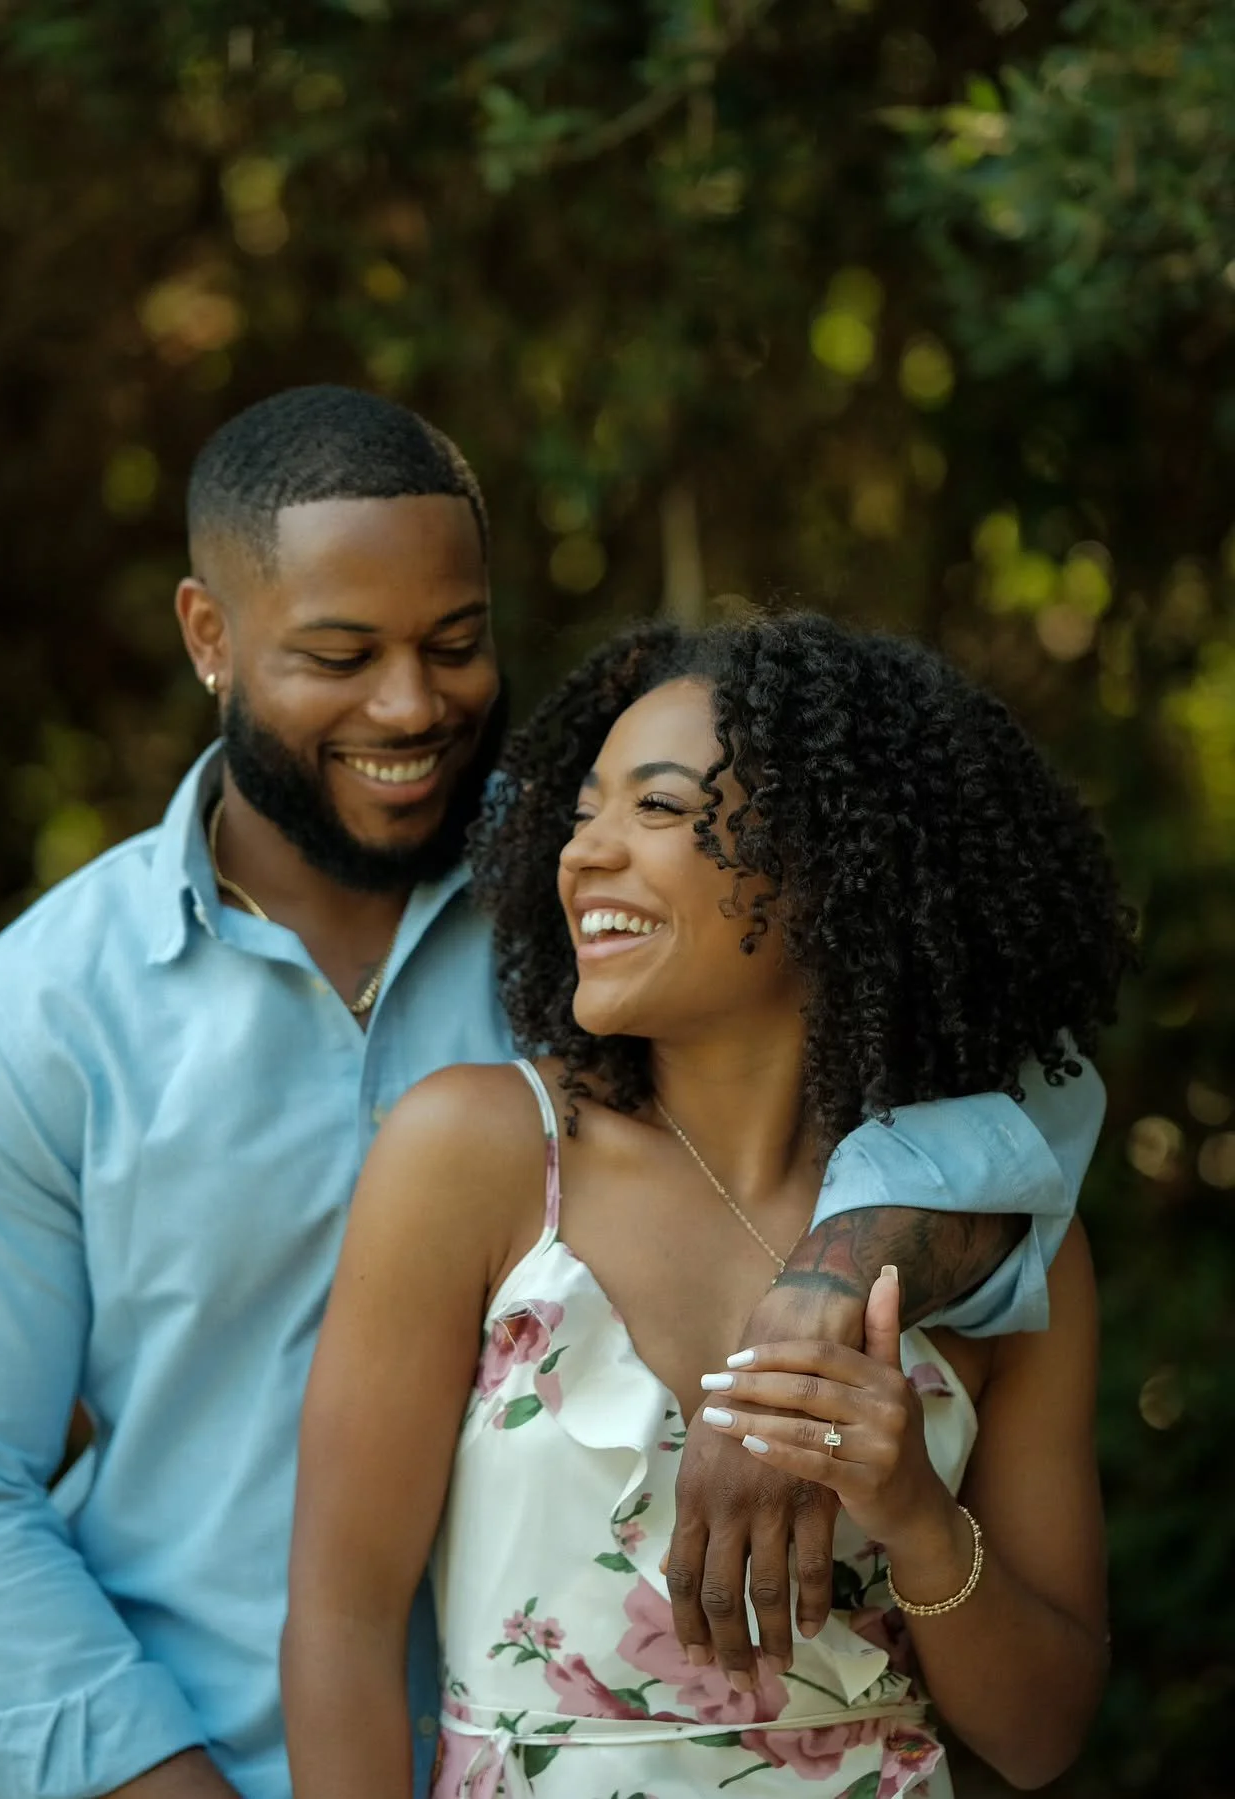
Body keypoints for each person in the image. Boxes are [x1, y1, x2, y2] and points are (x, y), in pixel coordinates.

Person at [0, 388, 1104, 1799]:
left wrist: (829, 1277)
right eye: (341, 652)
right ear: (210, 636)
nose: (411, 703)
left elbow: (1024, 1110)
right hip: (198, 1748)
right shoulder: (35, 1016)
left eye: (455, 643)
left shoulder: (608, 917)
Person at [283, 616, 1135, 1798]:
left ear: (837, 857)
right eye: (584, 813)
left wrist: (914, 1511)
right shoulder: (475, 1153)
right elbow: (342, 1627)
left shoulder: (1000, 1246)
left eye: (660, 808)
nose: (587, 853)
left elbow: (1041, 1735)